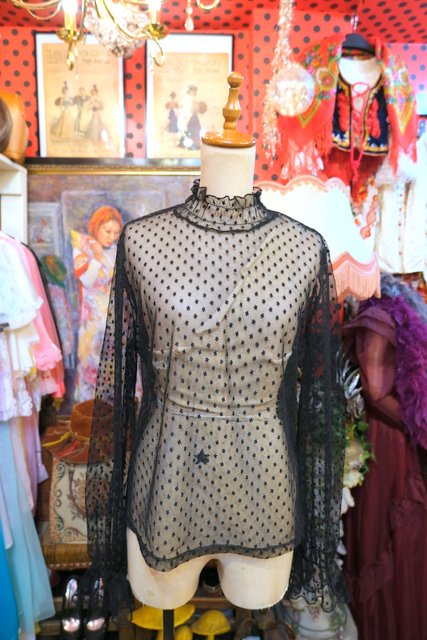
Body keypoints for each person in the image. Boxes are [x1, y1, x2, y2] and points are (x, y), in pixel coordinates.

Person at [86, 73, 346, 618]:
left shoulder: (304, 249)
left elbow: (318, 411)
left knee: (255, 603)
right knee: (161, 604)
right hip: (167, 483)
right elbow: (120, 387)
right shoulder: (141, 240)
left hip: (264, 486)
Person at [343, 274, 427, 640]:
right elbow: (376, 391)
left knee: (394, 531)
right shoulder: (379, 319)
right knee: (387, 533)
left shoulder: (378, 316)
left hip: (391, 437)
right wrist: (417, 424)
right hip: (387, 438)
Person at [71, 205, 123, 402]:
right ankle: (89, 412)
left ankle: (114, 413)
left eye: (116, 233)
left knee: (115, 368)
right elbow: (87, 281)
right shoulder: (83, 248)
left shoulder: (118, 251)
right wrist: (98, 256)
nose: (112, 237)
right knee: (91, 366)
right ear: (96, 226)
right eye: (107, 231)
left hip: (115, 320)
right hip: (92, 322)